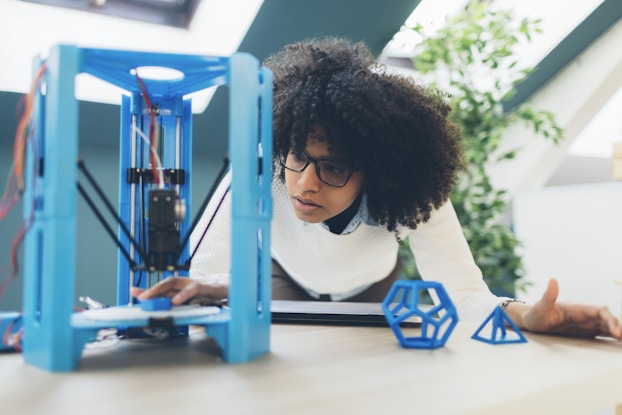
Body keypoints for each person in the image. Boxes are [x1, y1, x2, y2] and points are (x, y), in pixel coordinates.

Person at [132, 36, 622, 340]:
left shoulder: (410, 194)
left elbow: (464, 297)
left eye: (334, 166)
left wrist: (526, 316)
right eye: (299, 156)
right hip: (283, 281)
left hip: (374, 289)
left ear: (379, 174)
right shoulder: (262, 168)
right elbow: (205, 270)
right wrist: (211, 291)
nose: (303, 182)